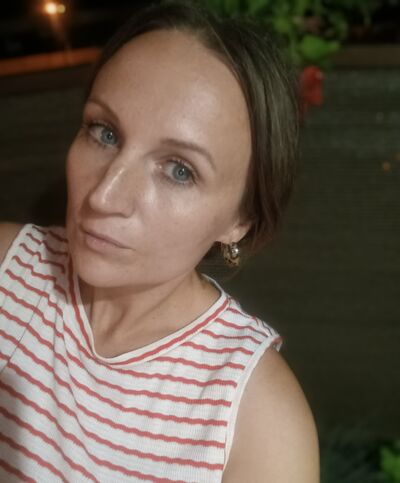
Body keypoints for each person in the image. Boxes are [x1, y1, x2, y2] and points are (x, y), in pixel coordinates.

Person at [0, 1, 319, 481]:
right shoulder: (8, 269)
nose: (104, 196)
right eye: (104, 132)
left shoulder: (257, 424)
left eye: (179, 171)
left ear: (241, 220)